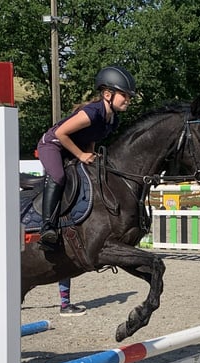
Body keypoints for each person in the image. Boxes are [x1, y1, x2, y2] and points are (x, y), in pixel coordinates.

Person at [36, 65, 137, 250]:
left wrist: (90, 152)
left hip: (73, 147)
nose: (128, 100)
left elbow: (92, 137)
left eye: (129, 96)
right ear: (108, 94)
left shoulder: (113, 120)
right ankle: (47, 228)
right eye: (125, 95)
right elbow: (60, 133)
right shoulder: (92, 112)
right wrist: (81, 155)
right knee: (58, 177)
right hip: (53, 145)